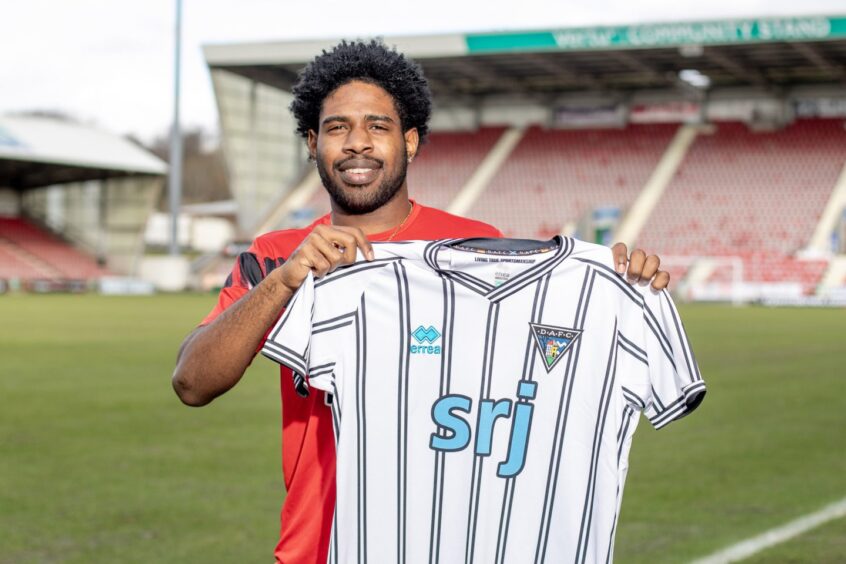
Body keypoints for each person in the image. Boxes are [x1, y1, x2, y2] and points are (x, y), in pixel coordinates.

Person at [172, 39, 671, 564]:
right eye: (338, 127)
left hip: (446, 541)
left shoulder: (478, 246)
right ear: (312, 142)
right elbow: (192, 383)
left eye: (377, 126)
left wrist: (621, 283)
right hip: (316, 549)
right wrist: (288, 280)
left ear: (409, 142)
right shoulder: (275, 256)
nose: (357, 144)